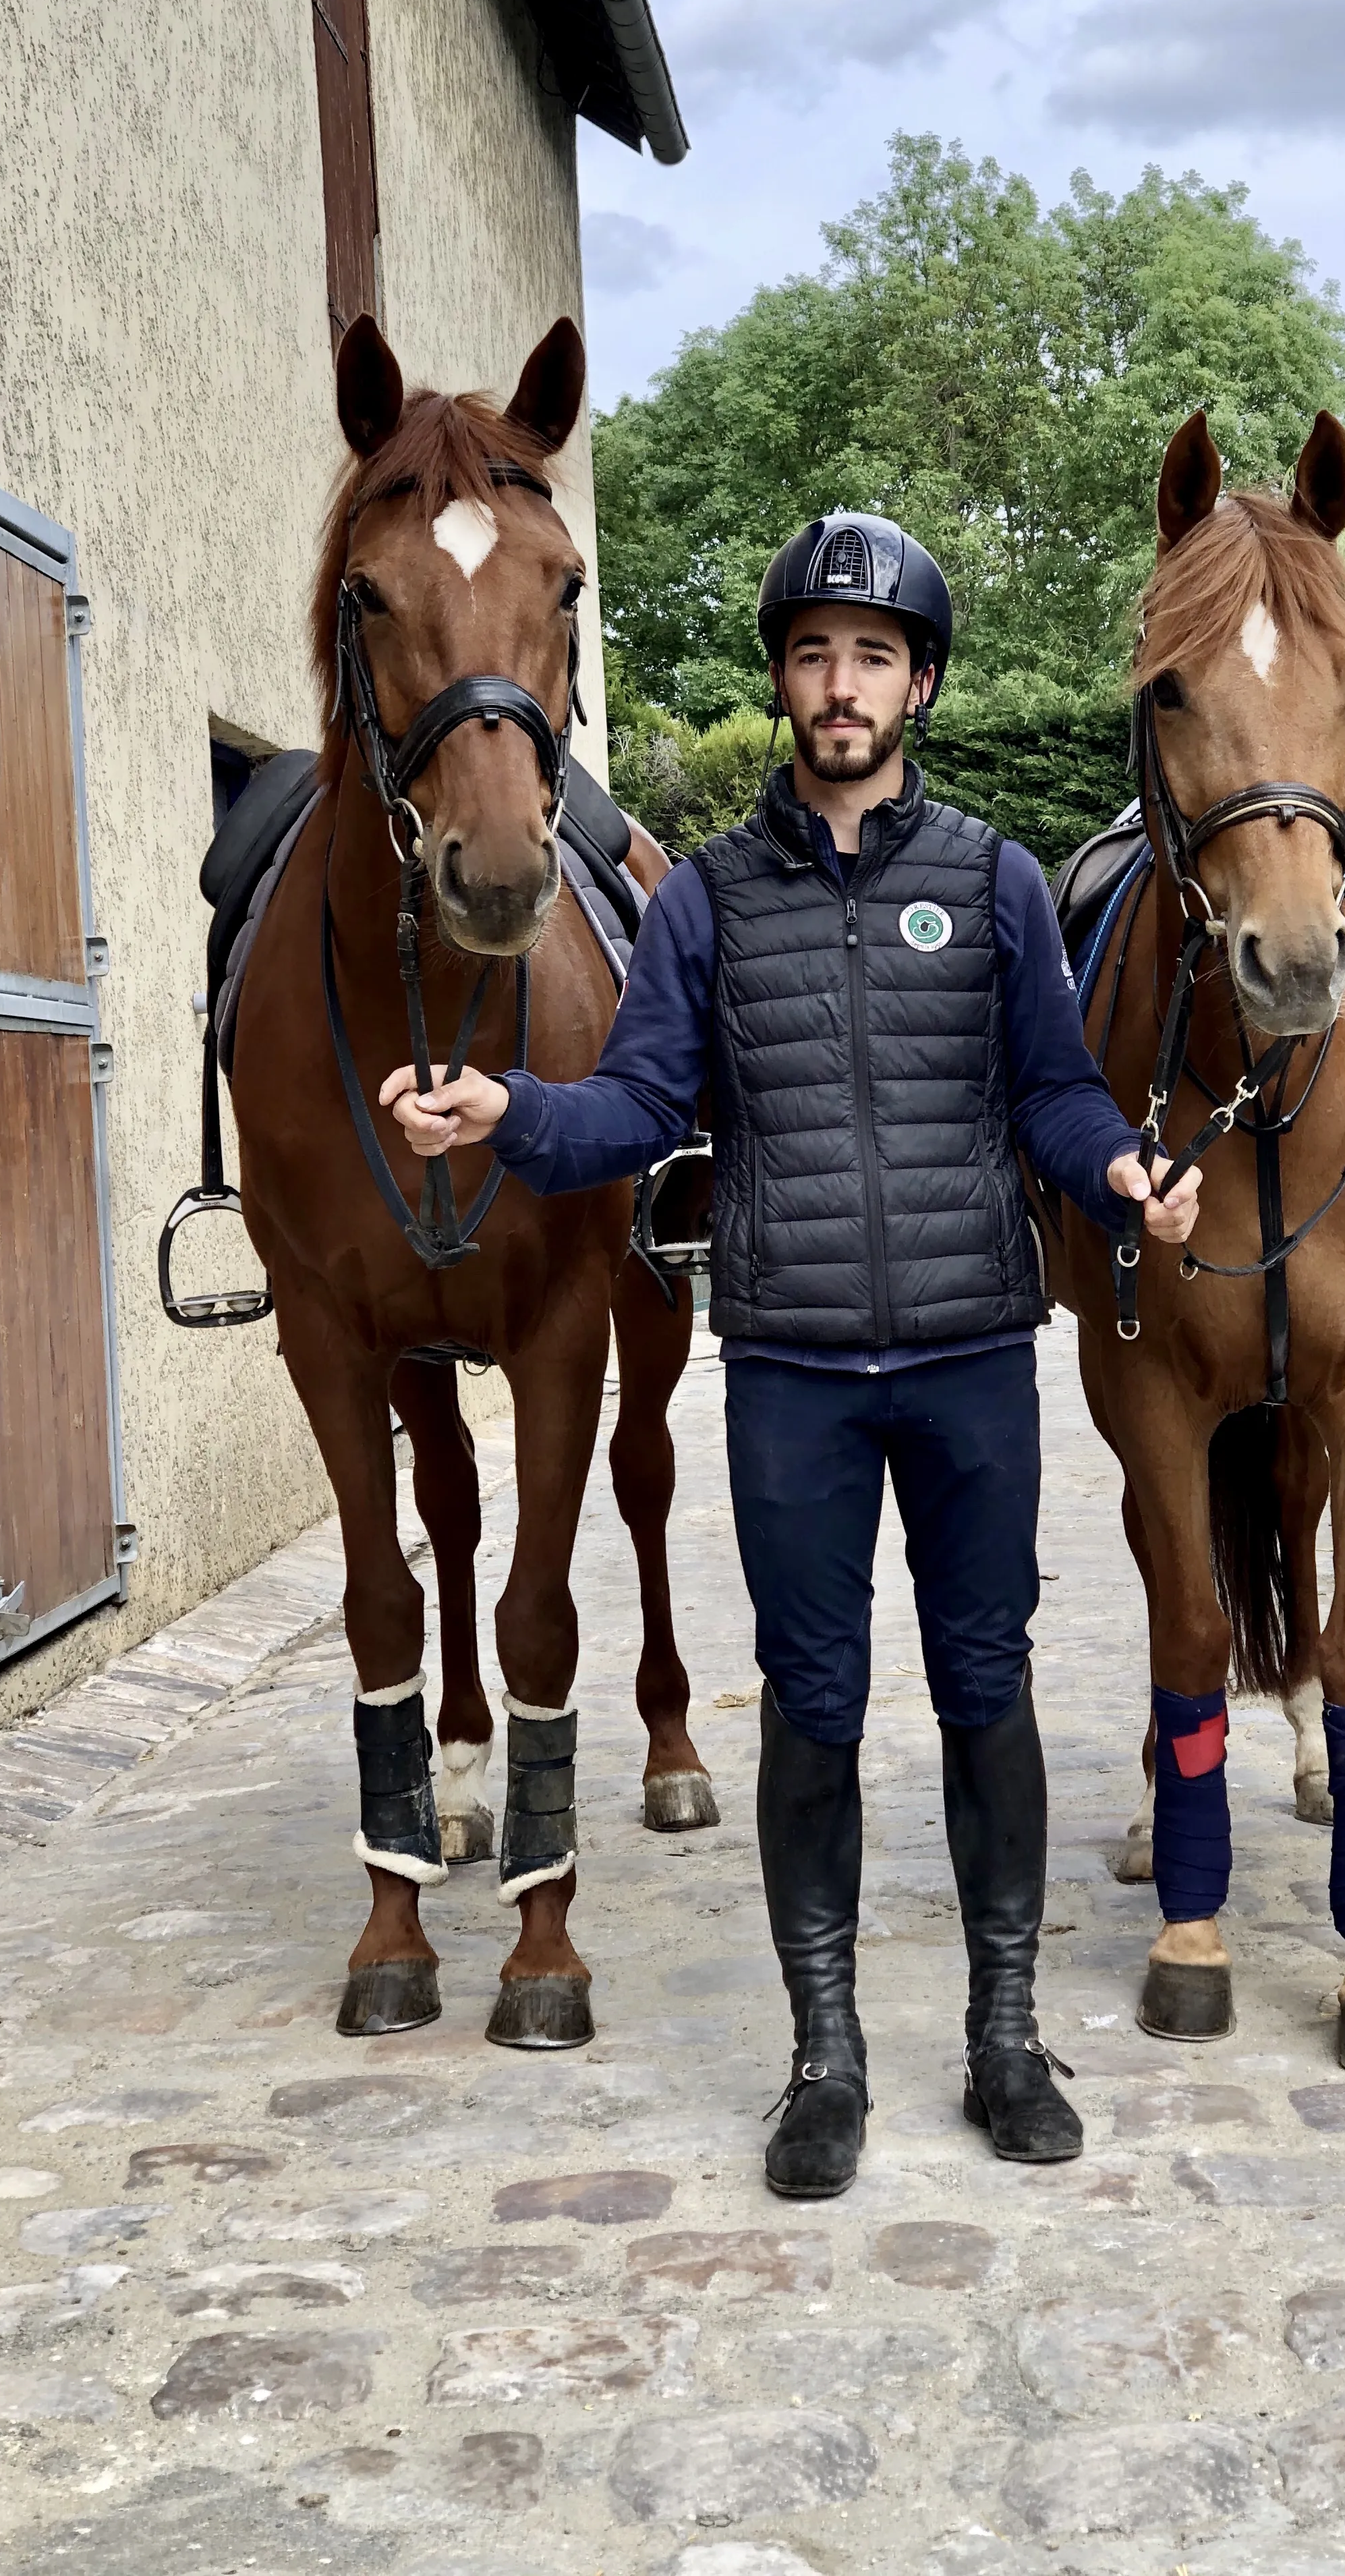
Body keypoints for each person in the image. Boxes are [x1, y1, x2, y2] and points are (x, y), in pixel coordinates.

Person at [382, 511, 1200, 2200]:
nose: (843, 686)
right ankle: (824, 2058)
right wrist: (509, 1111)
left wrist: (1117, 1164)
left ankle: (1001, 2034)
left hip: (977, 1353)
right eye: (817, 654)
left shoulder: (994, 879)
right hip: (796, 1377)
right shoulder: (710, 903)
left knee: (989, 1687)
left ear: (918, 686)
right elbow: (635, 1103)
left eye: (875, 657)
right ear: (785, 679)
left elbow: (1051, 1086)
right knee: (814, 1703)